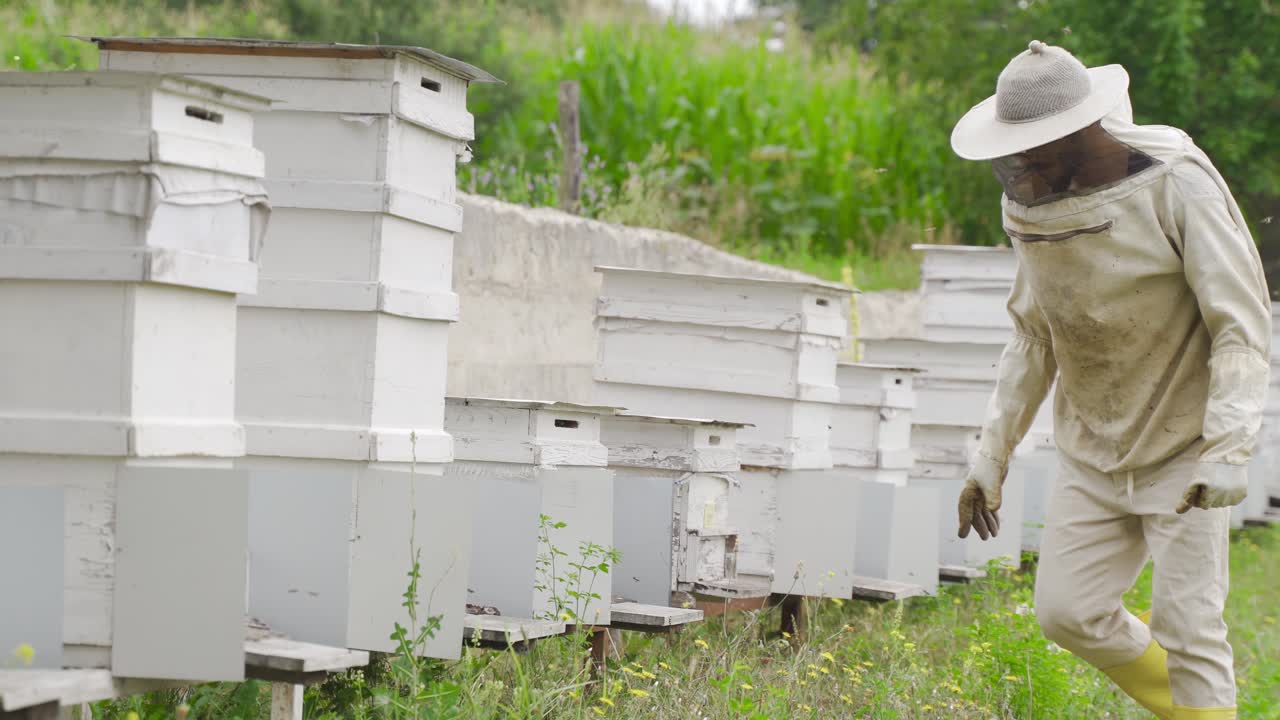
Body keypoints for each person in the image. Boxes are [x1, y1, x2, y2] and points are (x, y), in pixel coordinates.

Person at [949, 41, 1271, 720]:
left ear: (1081, 133)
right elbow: (1034, 334)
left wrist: (1230, 446)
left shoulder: (1175, 180)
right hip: (1092, 449)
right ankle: (1188, 706)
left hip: (1185, 449)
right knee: (1067, 613)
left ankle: (1201, 704)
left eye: (1035, 154)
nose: (1022, 173)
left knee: (1191, 631)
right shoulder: (1032, 207)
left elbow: (1239, 321)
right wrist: (990, 455)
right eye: (1016, 158)